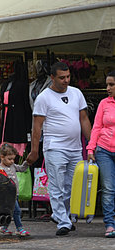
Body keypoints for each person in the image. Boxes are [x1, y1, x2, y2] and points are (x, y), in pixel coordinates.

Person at [26, 62, 92, 236]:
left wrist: (91, 144)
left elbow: (84, 119)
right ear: (52, 78)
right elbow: (37, 126)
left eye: (68, 77)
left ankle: (62, 215)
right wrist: (35, 150)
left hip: (75, 148)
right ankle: (63, 221)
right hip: (54, 147)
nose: (66, 80)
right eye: (62, 78)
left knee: (72, 186)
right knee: (57, 185)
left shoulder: (76, 93)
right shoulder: (43, 97)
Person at [87, 71, 115, 238]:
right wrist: (91, 149)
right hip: (104, 150)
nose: (108, 88)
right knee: (109, 188)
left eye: (112, 85)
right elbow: (96, 127)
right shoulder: (104, 103)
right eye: (107, 84)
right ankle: (110, 225)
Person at [0, 144, 30, 236]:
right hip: (7, 195)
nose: (12, 161)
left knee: (11, 211)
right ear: (2, 157)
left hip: (15, 193)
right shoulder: (0, 169)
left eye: (13, 159)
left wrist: (26, 163)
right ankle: (19, 228)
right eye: (10, 159)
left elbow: (22, 169)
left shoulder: (13, 166)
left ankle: (4, 228)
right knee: (17, 211)